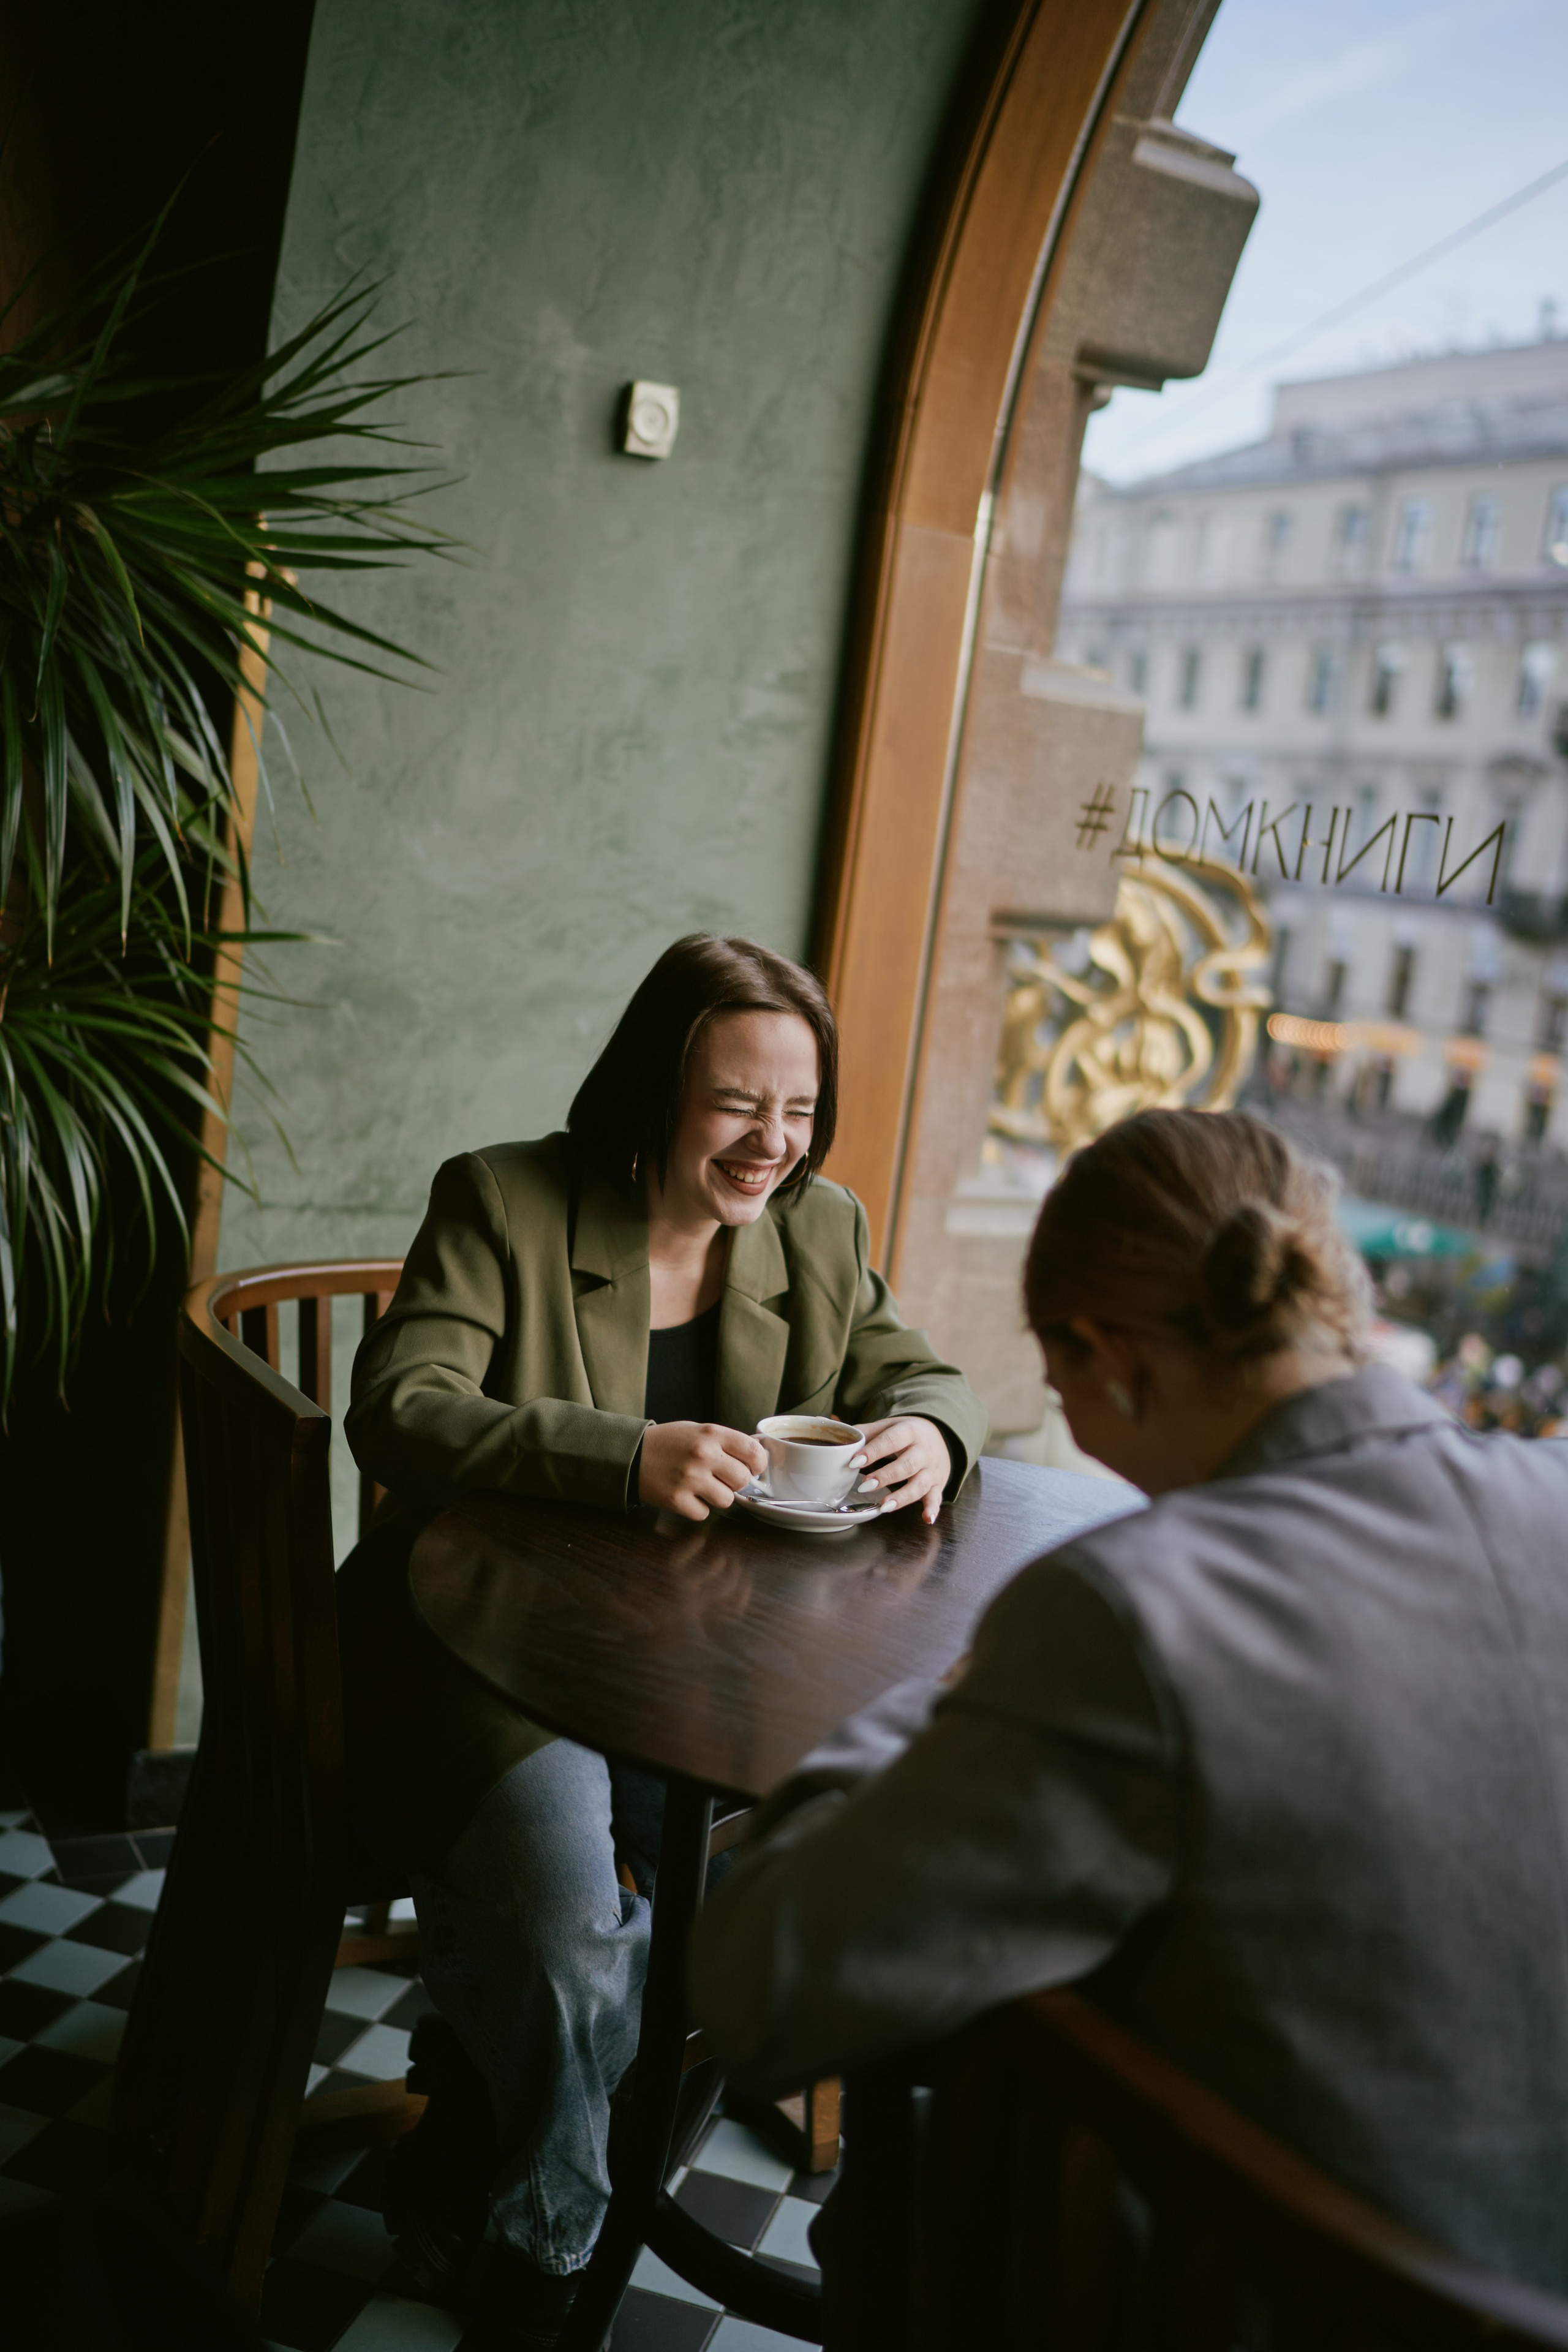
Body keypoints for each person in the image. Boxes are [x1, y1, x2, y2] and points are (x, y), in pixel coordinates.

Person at [688, 1107, 1568, 2296]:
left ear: (1110, 1359)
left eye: (1064, 1387)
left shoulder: (1130, 1613)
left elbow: (761, 1991)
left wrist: (943, 1700)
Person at [336, 933, 987, 2346]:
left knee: (776, 1897)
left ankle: (481, 2138)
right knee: (575, 1923)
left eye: (799, 1110)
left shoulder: (819, 1227)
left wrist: (931, 1430)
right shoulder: (503, 1199)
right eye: (736, 1105)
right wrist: (617, 1455)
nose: (771, 1144)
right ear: (652, 1088)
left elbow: (917, 1366)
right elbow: (398, 1403)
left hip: (690, 1665)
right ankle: (555, 2229)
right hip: (485, 1654)